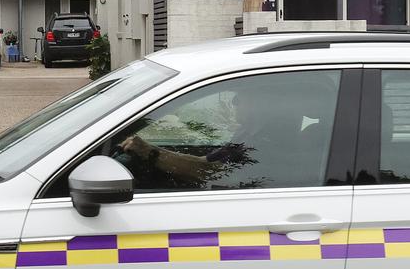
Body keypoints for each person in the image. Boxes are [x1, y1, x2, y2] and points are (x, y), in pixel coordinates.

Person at [118, 75, 332, 190]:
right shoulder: (248, 133)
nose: (234, 102)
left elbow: (207, 171)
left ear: (263, 101)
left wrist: (149, 152)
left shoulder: (270, 140)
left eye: (242, 96)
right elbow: (205, 160)